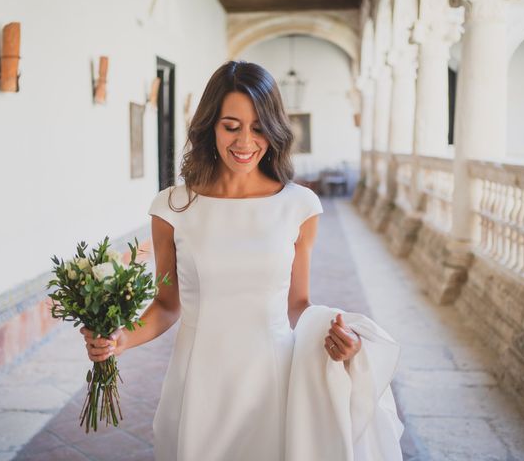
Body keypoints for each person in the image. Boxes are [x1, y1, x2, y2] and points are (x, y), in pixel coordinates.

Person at [81, 61, 403, 460]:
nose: (245, 142)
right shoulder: (172, 207)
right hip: (197, 381)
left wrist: (338, 343)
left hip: (272, 380)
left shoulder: (299, 206)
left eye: (258, 127)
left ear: (275, 129)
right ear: (209, 126)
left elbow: (298, 306)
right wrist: (121, 339)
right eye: (231, 126)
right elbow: (167, 306)